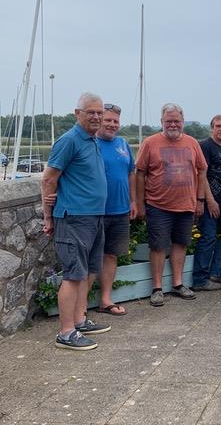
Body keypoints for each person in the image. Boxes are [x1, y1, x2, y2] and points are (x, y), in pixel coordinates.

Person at [42, 92, 110, 350]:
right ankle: (66, 332)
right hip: (73, 218)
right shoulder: (69, 140)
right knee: (72, 275)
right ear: (77, 113)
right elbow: (49, 179)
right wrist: (48, 217)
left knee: (86, 272)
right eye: (90, 112)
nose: (96, 116)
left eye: (99, 112)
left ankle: (79, 320)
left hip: (93, 217)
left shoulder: (91, 140)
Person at [136, 103, 208, 307]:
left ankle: (178, 284)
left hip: (186, 204)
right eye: (169, 121)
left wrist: (200, 199)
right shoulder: (150, 143)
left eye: (176, 121)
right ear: (162, 122)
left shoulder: (192, 143)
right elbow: (140, 173)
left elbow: (202, 170)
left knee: (181, 244)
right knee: (158, 246)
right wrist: (140, 203)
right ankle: (157, 288)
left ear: (182, 122)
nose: (173, 124)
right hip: (158, 205)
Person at [94, 103, 137, 315]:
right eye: (108, 120)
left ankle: (105, 299)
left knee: (111, 255)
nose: (112, 124)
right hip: (96, 211)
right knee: (91, 257)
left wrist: (133, 201)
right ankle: (79, 307)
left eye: (115, 121)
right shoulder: (91, 143)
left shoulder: (123, 144)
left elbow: (131, 173)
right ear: (100, 120)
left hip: (120, 210)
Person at [192, 115, 221, 291]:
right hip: (211, 200)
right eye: (218, 126)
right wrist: (209, 201)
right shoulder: (205, 146)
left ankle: (217, 273)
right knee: (208, 237)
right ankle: (199, 280)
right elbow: (202, 175)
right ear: (212, 128)